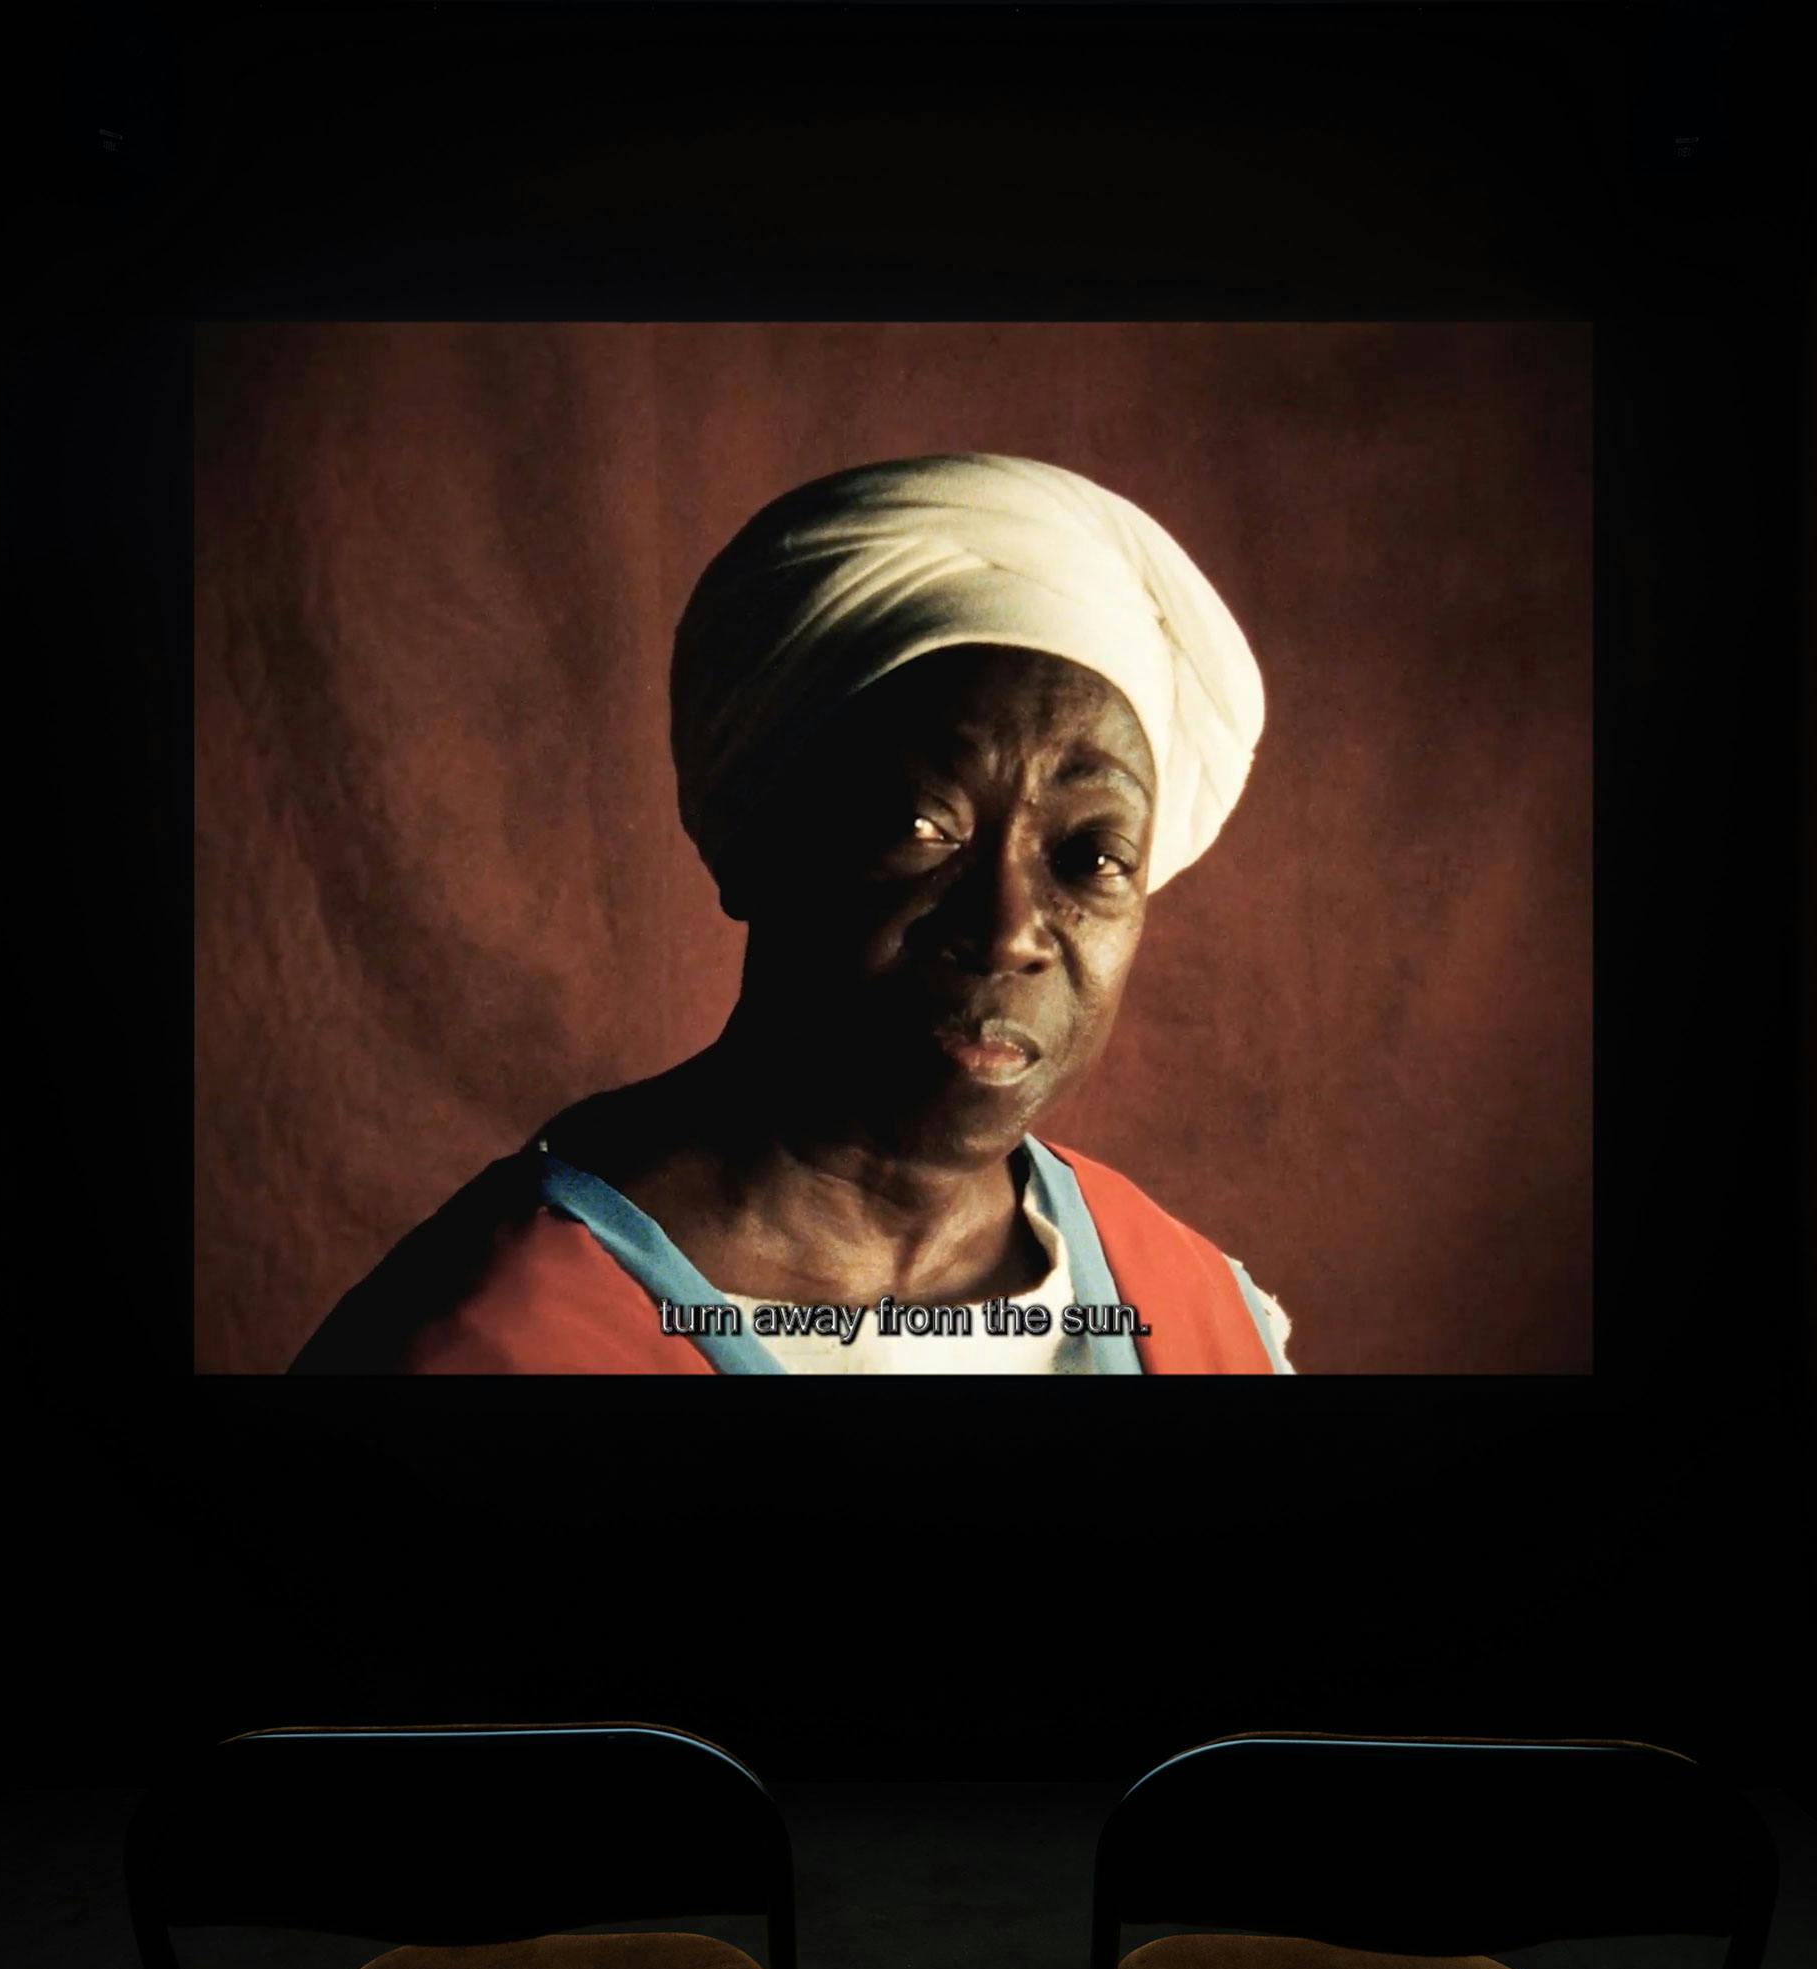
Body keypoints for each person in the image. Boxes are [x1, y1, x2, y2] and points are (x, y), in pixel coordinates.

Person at [291, 453, 1292, 1375]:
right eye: (921, 825)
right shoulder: (494, 1342)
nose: (1006, 930)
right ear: (756, 839)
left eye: (1093, 858)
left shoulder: (1192, 1311)